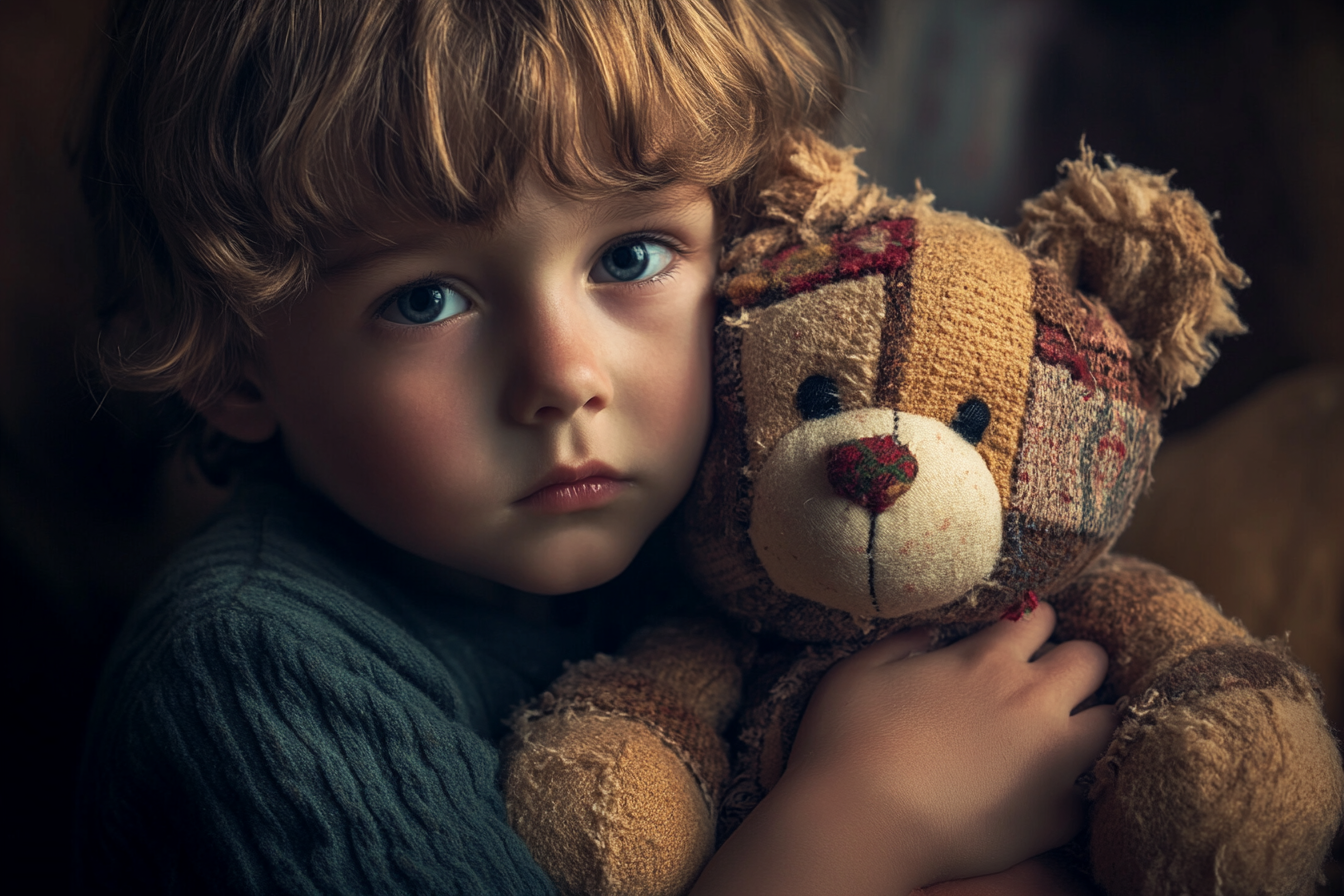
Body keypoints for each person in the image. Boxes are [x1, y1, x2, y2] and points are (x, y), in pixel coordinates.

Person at [72, 1, 1116, 894]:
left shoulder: (736, 534)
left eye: (631, 253)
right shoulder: (247, 670)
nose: (566, 376)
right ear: (233, 361)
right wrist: (868, 815)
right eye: (426, 298)